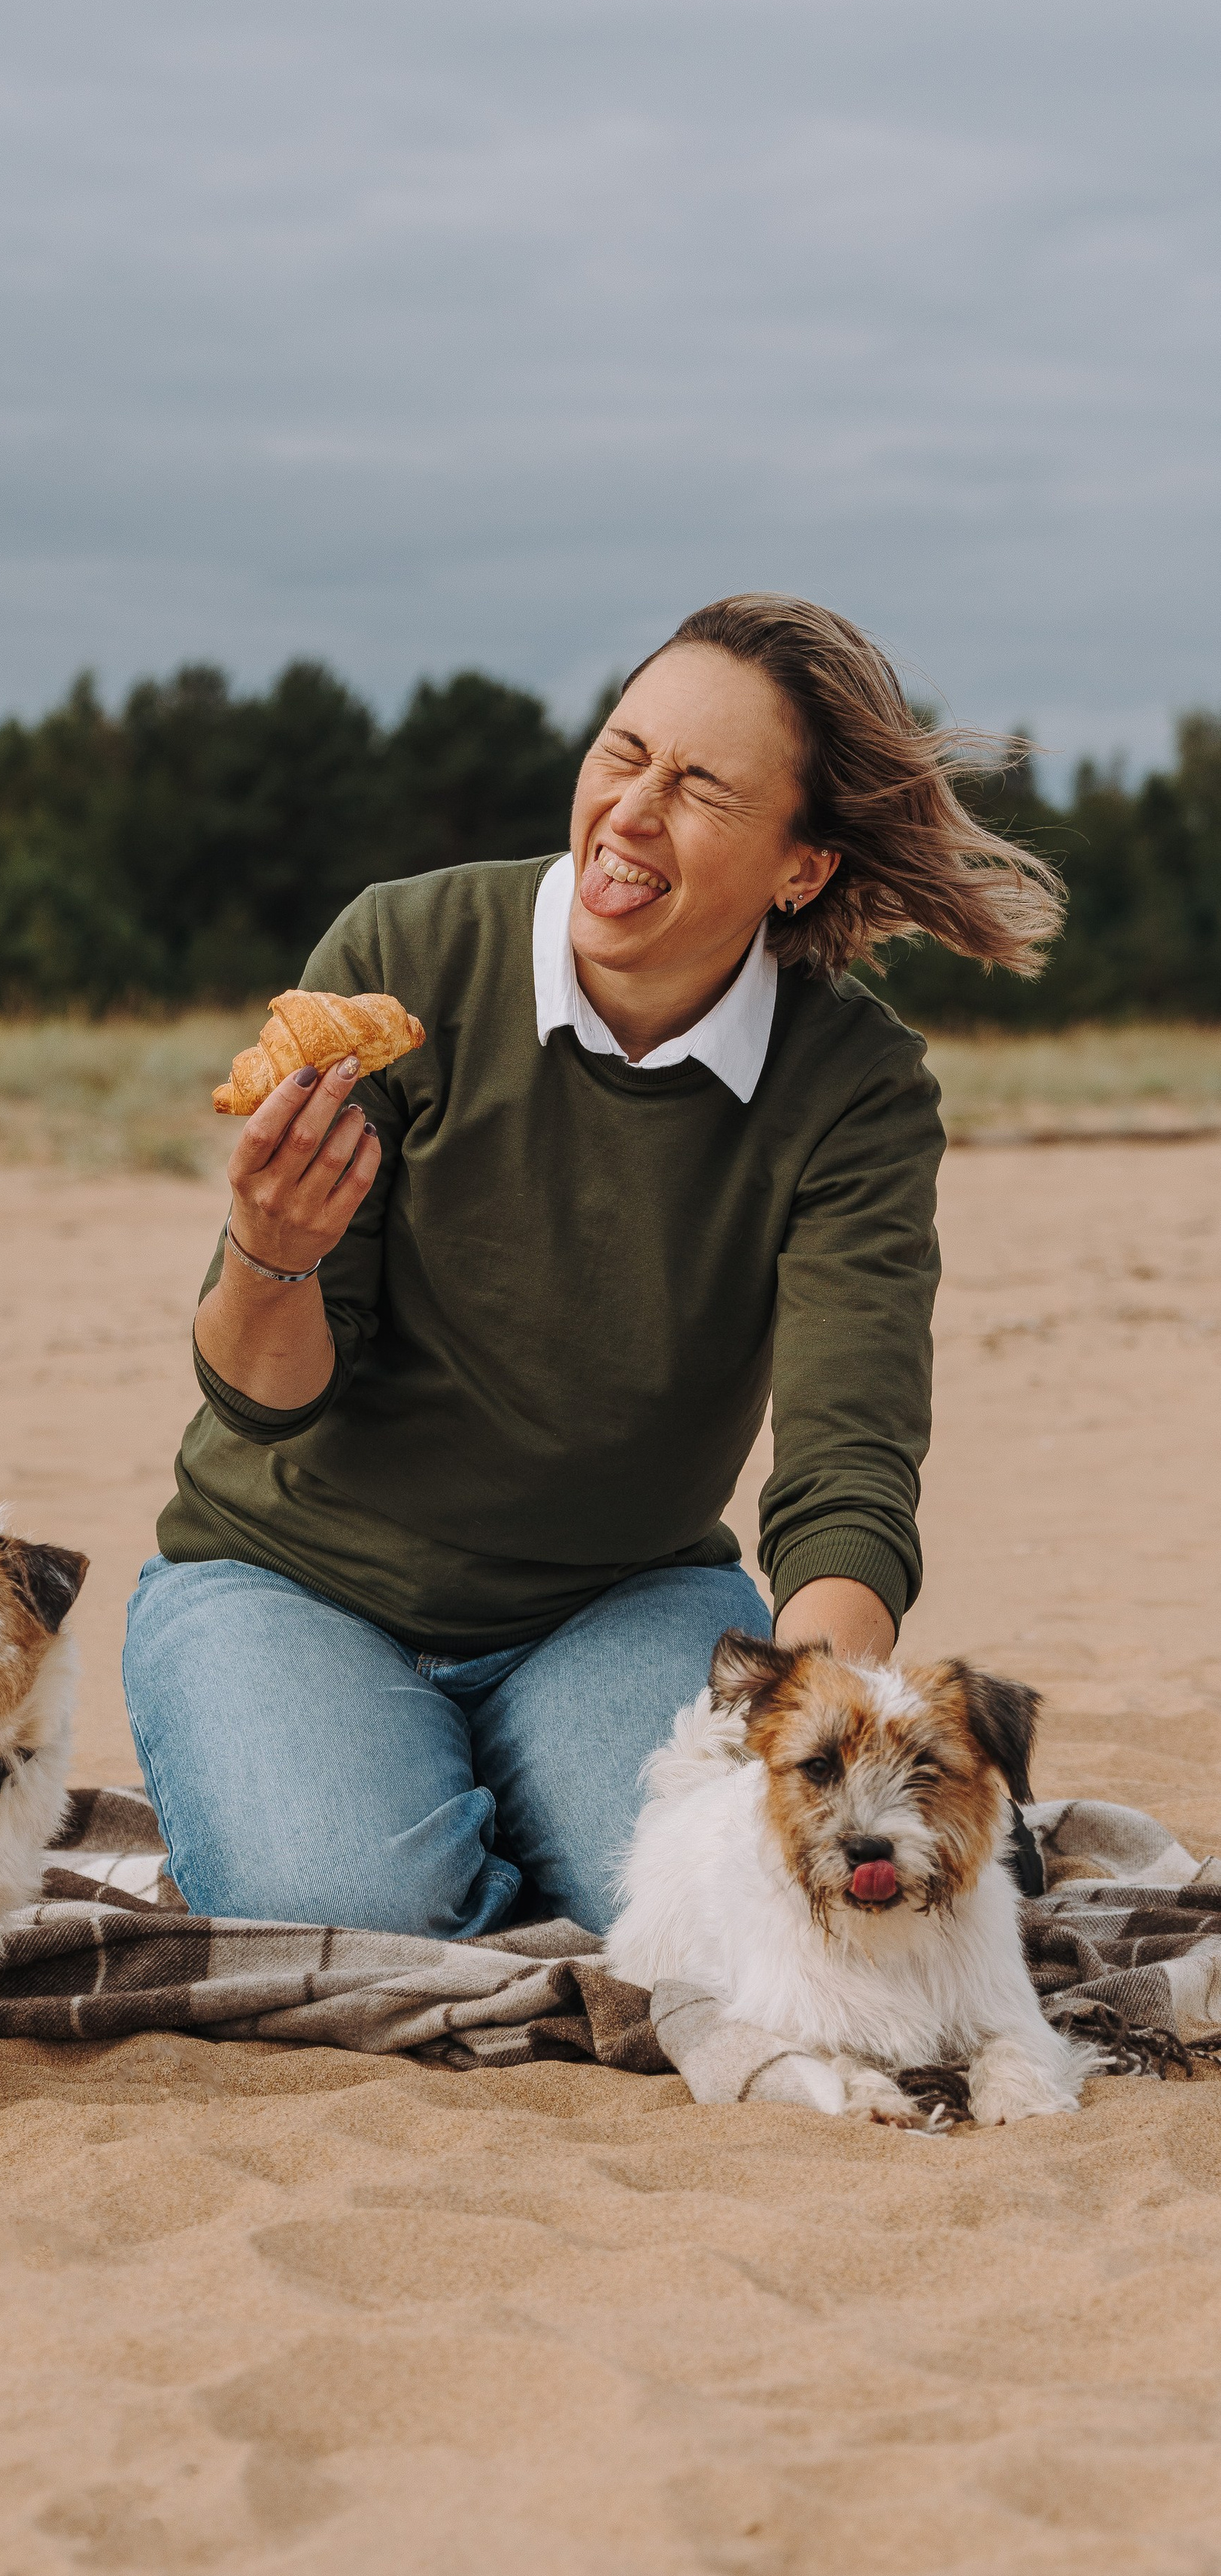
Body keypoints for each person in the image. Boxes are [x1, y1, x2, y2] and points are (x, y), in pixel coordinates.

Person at [121, 594, 1062, 1939]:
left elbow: (846, 1456)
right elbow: (267, 1401)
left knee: (736, 1903)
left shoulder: (856, 1088)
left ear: (800, 867)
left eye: (699, 788)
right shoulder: (404, 958)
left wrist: (836, 1732)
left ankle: (495, 1797)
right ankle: (444, 1801)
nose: (631, 811)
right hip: (287, 1577)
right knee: (348, 1908)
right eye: (623, 752)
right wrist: (269, 1253)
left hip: (617, 1599)